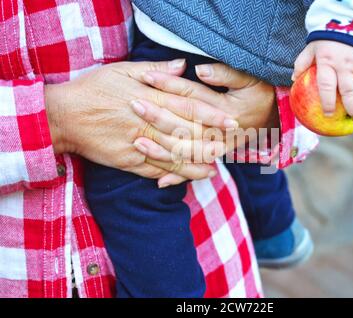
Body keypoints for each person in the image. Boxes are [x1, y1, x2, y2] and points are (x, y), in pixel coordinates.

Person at [83, 0, 353, 297]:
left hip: (205, 31)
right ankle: (273, 225)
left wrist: (352, 31)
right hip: (223, 28)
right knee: (227, 131)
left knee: (130, 178)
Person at [0, 0, 310, 298]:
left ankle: (275, 223)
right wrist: (54, 119)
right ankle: (275, 225)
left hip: (215, 251)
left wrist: (272, 109)